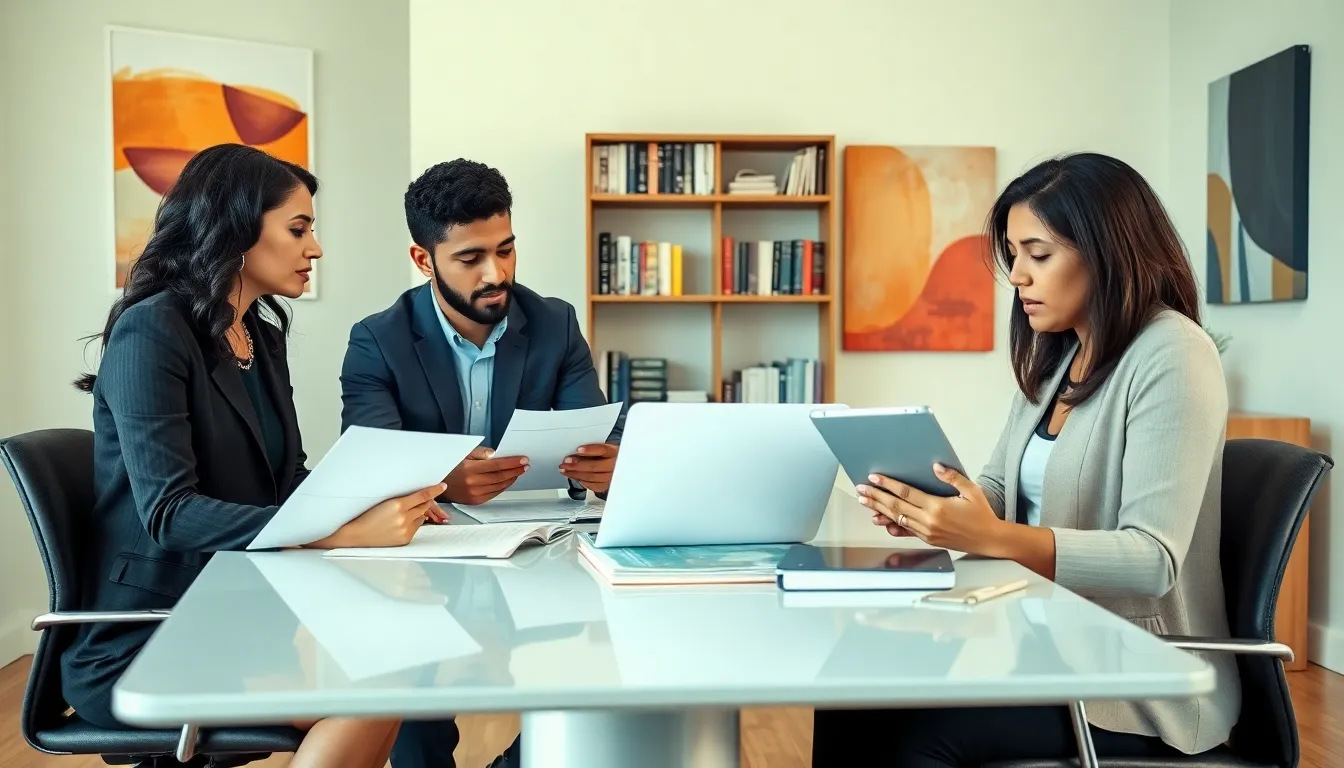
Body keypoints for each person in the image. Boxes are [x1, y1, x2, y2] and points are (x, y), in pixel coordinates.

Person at [812, 153, 1240, 766]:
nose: (1017, 276)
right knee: (852, 687)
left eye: (1038, 255)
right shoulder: (1059, 358)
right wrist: (931, 504)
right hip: (1041, 645)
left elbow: (1152, 560)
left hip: (1133, 680)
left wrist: (991, 535)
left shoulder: (1174, 354)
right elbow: (998, 488)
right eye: (1014, 256)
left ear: (1108, 250)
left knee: (915, 734)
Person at [69, 144, 445, 768]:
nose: (314, 248)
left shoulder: (260, 334)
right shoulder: (151, 331)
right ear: (236, 229)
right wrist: (336, 535)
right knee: (373, 688)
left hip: (233, 612)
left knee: (394, 669)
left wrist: (377, 496)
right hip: (150, 637)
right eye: (298, 229)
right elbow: (171, 513)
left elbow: (285, 478)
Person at [339, 158, 621, 766]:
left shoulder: (554, 322)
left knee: (585, 681)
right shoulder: (377, 339)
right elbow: (369, 463)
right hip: (421, 553)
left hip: (538, 549)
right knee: (412, 699)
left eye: (507, 250)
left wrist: (604, 467)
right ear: (424, 260)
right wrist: (445, 485)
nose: (497, 273)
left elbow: (588, 426)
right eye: (470, 258)